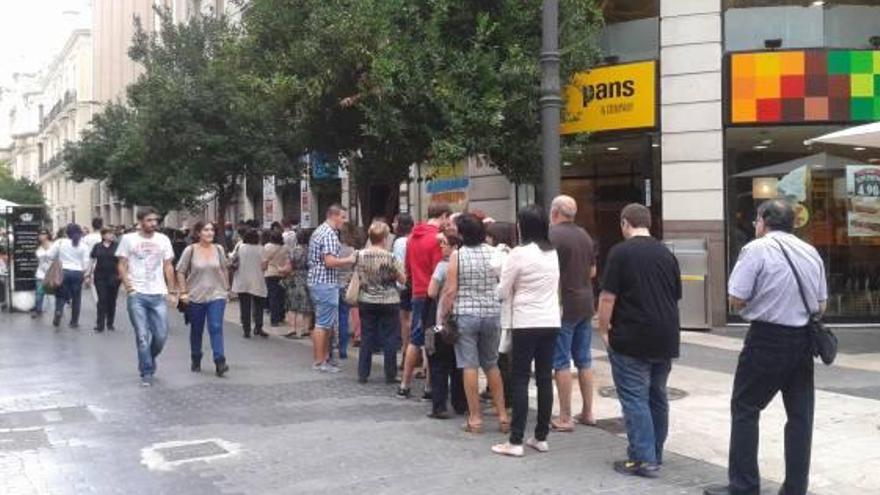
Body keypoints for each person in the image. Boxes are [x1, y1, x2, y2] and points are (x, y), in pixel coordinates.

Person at [704, 200, 827, 495]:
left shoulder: (756, 249)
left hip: (766, 339)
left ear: (763, 221)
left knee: (745, 408)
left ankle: (744, 486)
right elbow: (821, 306)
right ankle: (796, 488)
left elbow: (736, 297)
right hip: (802, 341)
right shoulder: (811, 252)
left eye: (756, 220)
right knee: (800, 417)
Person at [596, 203, 681, 478]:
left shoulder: (620, 253)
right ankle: (655, 452)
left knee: (634, 397)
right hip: (666, 335)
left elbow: (608, 296)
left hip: (631, 335)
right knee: (658, 395)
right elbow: (676, 295)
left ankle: (642, 459)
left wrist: (603, 328)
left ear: (625, 223)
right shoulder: (667, 254)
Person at [492, 205, 560, 457]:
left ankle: (516, 440)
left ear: (523, 226)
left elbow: (502, 291)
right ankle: (541, 436)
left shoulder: (519, 253)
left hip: (525, 321)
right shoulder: (552, 252)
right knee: (544, 378)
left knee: (520, 378)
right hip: (551, 320)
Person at [439, 213, 509, 433]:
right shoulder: (494, 253)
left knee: (468, 365)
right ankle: (503, 416)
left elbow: (450, 290)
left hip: (466, 314)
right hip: (491, 313)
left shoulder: (457, 256)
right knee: (491, 364)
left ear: (461, 234)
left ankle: (476, 418)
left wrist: (443, 315)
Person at [548, 195, 599, 431]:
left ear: (555, 212)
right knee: (584, 360)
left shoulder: (553, 236)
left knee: (561, 362)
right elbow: (592, 271)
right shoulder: (585, 236)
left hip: (563, 304)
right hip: (585, 303)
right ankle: (588, 411)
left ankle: (565, 416)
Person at [116, 208, 177, 387]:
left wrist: (172, 291)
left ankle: (148, 358)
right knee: (142, 335)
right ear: (140, 221)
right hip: (138, 294)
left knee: (161, 335)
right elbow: (122, 265)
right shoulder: (128, 239)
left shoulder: (163, 240)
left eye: (155, 220)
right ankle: (147, 371)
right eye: (149, 220)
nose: (153, 224)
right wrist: (129, 287)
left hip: (158, 293)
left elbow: (168, 266)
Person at [399, 204, 451, 398]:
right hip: (433, 296)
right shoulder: (438, 239)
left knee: (416, 338)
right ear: (443, 216)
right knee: (433, 338)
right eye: (447, 218)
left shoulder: (412, 237)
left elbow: (407, 268)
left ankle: (405, 384)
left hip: (417, 293)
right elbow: (441, 270)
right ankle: (430, 386)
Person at [176, 221, 230, 378]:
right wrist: (183, 292)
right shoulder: (190, 250)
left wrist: (226, 289)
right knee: (196, 329)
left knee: (215, 326)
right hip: (195, 296)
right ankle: (196, 357)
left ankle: (220, 361)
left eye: (212, 230)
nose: (210, 233)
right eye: (206, 230)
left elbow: (224, 268)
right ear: (198, 233)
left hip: (216, 294)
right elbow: (180, 271)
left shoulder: (218, 249)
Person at [355, 221, 406, 383]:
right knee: (390, 338)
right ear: (384, 238)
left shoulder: (360, 255)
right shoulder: (390, 257)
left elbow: (358, 275)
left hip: (367, 299)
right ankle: (390, 374)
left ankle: (363, 373)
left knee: (367, 336)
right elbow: (402, 279)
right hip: (389, 300)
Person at [308, 204, 356, 373]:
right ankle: (321, 361)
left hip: (318, 281)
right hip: (325, 283)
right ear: (334, 216)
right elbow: (329, 262)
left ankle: (322, 359)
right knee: (323, 324)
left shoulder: (320, 231)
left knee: (322, 323)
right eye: (342, 217)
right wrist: (349, 259)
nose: (344, 221)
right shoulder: (329, 234)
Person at [426, 232, 466, 419]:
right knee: (459, 364)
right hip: (464, 319)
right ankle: (460, 403)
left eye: (445, 244)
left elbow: (431, 291)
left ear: (454, 246)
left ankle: (439, 406)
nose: (441, 246)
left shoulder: (443, 266)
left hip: (442, 322)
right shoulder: (468, 264)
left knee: (439, 362)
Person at [485, 221, 517, 407]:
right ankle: (506, 398)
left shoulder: (502, 254)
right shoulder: (512, 253)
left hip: (504, 312)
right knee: (504, 359)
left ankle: (506, 400)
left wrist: (498, 249)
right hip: (508, 313)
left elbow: (496, 270)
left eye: (489, 236)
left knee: (503, 359)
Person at [48, 223, 91, 329]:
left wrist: (57, 259)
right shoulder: (84, 246)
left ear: (67, 233)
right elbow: (86, 263)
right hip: (77, 273)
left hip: (63, 271)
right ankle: (74, 321)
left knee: (61, 294)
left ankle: (58, 311)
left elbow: (50, 255)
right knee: (77, 297)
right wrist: (85, 274)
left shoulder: (60, 242)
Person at [231, 228, 269, 338]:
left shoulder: (240, 247)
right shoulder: (261, 249)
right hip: (257, 279)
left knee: (244, 306)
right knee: (259, 306)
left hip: (242, 279)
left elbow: (233, 259)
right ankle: (258, 327)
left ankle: (246, 330)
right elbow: (264, 266)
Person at [392, 212, 414, 372]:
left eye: (395, 222)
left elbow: (398, 264)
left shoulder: (400, 242)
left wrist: (400, 285)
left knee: (405, 322)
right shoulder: (414, 238)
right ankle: (417, 354)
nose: (393, 225)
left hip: (405, 285)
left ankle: (407, 352)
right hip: (418, 284)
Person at [87, 227, 120, 332]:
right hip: (100, 276)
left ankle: (110, 322)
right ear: (103, 235)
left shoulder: (117, 246)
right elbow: (92, 260)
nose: (111, 235)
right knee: (102, 300)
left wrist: (123, 275)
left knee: (112, 300)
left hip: (114, 276)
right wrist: (88, 273)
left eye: (112, 233)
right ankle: (100, 324)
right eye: (109, 233)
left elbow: (122, 261)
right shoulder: (97, 246)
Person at [336, 222, 360, 360]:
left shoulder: (334, 249)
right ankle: (343, 349)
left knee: (333, 318)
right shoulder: (352, 250)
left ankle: (332, 345)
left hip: (333, 285)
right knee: (344, 317)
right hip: (346, 286)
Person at [284, 228, 313, 338]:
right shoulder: (312, 250)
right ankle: (306, 329)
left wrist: (281, 269)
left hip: (295, 278)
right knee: (307, 304)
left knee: (293, 305)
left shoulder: (293, 251)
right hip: (309, 277)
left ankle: (294, 329)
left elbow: (288, 267)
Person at [263, 230, 289, 327]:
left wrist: (263, 269)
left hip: (270, 273)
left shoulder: (267, 247)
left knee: (273, 297)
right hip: (282, 273)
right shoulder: (285, 248)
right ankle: (281, 316)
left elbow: (264, 260)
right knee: (281, 296)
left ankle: (274, 319)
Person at [32, 230, 54, 318]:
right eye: (40, 234)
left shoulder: (53, 245)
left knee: (55, 293)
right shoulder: (38, 246)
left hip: (52, 272)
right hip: (41, 273)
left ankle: (58, 310)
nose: (41, 236)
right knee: (39, 293)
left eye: (43, 234)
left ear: (47, 235)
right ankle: (38, 310)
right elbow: (39, 258)